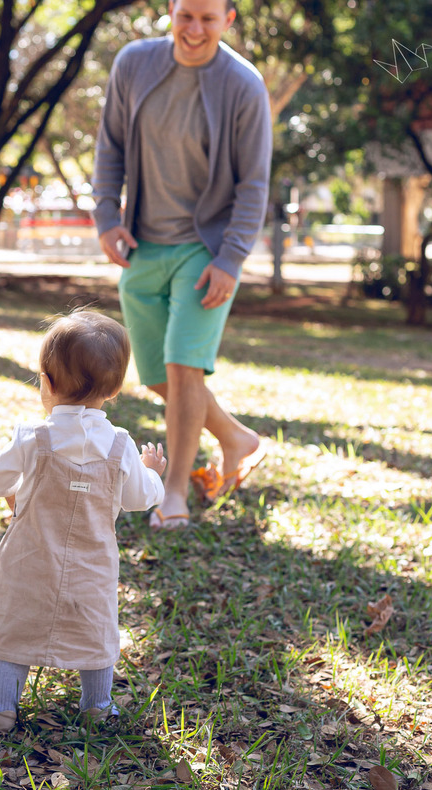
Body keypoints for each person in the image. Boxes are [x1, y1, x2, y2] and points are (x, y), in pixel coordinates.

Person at [91, 0, 273, 529]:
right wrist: (107, 216)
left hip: (206, 247)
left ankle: (174, 493)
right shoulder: (134, 64)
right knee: (156, 375)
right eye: (185, 15)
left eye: (208, 19)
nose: (194, 29)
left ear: (228, 20)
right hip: (143, 244)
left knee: (183, 368)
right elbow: (111, 148)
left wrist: (231, 259)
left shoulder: (243, 84)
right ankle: (239, 438)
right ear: (170, 10)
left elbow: (253, 182)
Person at [0, 311, 167, 731]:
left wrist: (13, 490)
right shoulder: (120, 444)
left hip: (31, 556)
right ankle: (97, 708)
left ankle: (1, 710)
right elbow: (138, 498)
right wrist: (152, 472)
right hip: (92, 562)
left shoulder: (33, 437)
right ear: (113, 391)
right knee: (97, 630)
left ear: (47, 383)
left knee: (16, 625)